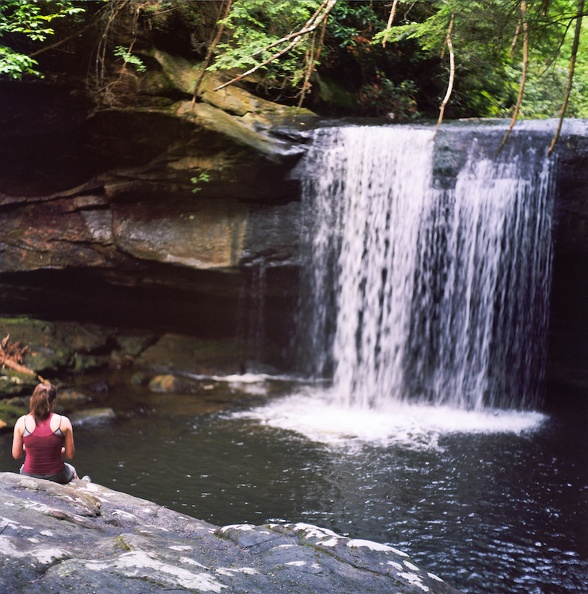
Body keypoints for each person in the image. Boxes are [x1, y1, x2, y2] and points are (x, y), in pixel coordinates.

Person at [12, 382, 78, 484]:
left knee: (22, 468)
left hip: (29, 475)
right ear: (53, 402)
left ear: (33, 400)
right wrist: (54, 450)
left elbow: (16, 455)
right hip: (56, 476)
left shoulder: (22, 422)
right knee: (71, 469)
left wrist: (32, 449)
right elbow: (69, 454)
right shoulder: (63, 422)